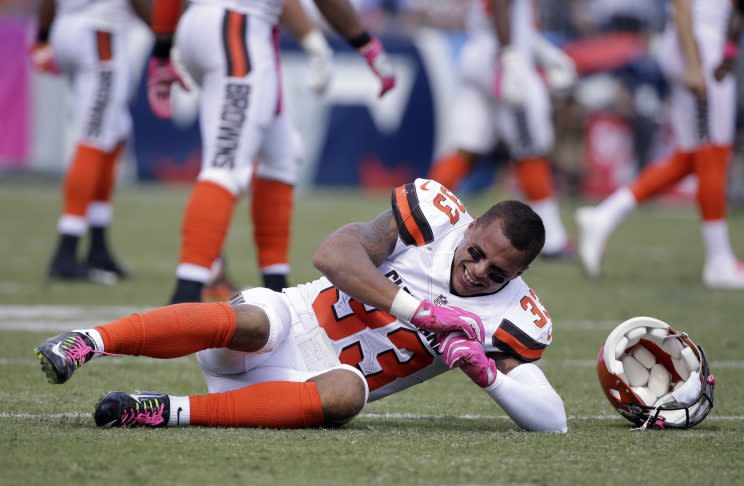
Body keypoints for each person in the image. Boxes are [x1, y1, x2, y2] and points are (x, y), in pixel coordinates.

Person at [34, 178, 567, 433]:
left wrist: (489, 378)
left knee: (349, 392)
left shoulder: (515, 316)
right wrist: (419, 312)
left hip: (306, 389)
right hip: (283, 327)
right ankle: (88, 341)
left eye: (496, 273)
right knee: (256, 320)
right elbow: (332, 254)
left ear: (519, 275)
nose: (477, 273)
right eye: (475, 255)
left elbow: (553, 422)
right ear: (469, 227)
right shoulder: (435, 216)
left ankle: (160, 410)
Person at [146, 0, 396, 303]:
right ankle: (186, 293)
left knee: (282, 155)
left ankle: (276, 286)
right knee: (225, 165)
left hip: (212, 25)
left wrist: (162, 46)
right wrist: (365, 44)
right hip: (237, 27)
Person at [576, 0, 744, 289]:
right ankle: (719, 261)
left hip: (703, 44)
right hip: (697, 44)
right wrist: (695, 65)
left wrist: (729, 51)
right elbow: (682, 5)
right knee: (713, 153)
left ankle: (605, 214)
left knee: (691, 157)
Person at [428, 0, 576, 258]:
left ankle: (422, 216)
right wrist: (510, 56)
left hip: (479, 54)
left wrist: (542, 51)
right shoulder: (506, 47)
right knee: (530, 149)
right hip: (501, 60)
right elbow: (500, 6)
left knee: (467, 147)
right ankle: (552, 238)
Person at [34, 0, 150, 283]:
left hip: (68, 30)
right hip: (99, 34)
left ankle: (98, 246)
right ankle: (67, 249)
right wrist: (165, 36)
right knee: (95, 137)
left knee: (115, 131)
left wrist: (43, 35)